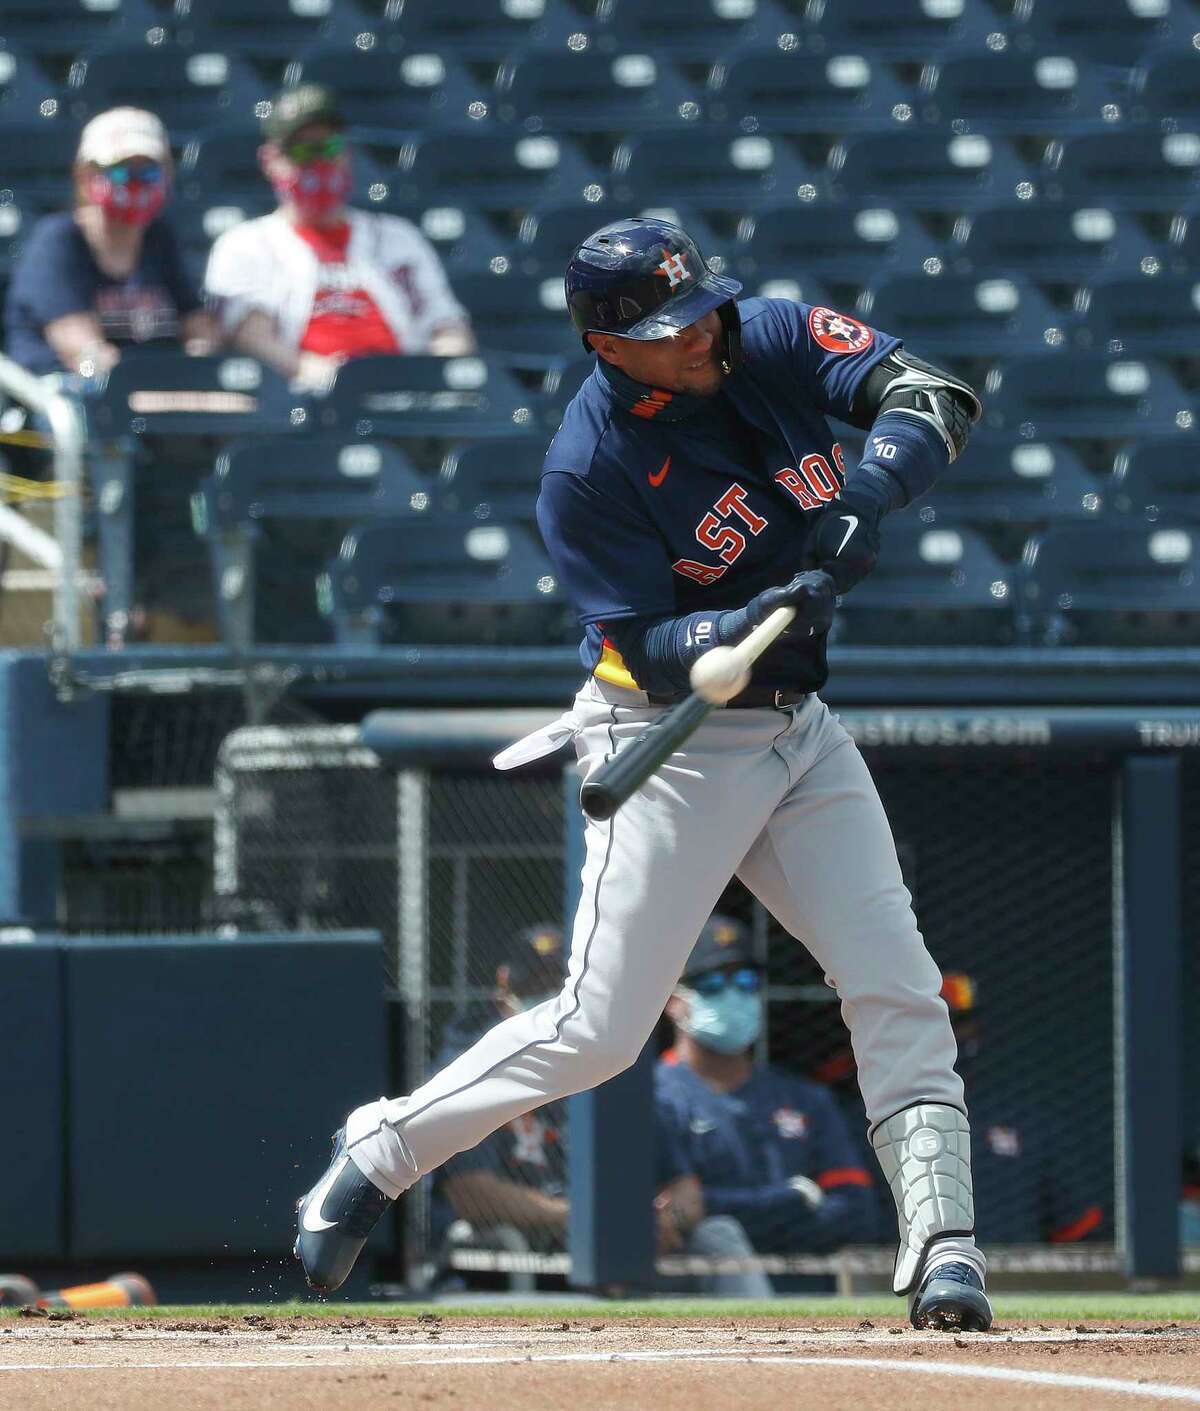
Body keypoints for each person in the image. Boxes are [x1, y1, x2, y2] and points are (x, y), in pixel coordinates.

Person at [295, 216, 991, 1331]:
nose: (703, 334)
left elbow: (934, 392)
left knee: (898, 983)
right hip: (666, 735)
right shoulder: (590, 467)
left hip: (799, 728)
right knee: (600, 1028)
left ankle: (947, 1245)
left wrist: (875, 490)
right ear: (608, 346)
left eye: (702, 307)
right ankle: (379, 1149)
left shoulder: (758, 336)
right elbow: (634, 644)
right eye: (672, 329)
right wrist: (725, 630)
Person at [655, 915, 877, 1296]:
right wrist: (793, 1200)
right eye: (711, 984)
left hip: (808, 1302)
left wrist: (714, 1203)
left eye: (746, 982)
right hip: (691, 1301)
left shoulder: (805, 1098)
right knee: (715, 1235)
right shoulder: (650, 1095)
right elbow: (669, 1217)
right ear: (673, 1002)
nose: (734, 997)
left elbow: (855, 1214)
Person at [203, 84, 475, 392]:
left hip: (409, 394)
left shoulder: (399, 237)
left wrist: (435, 378)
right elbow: (253, 337)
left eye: (329, 148)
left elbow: (447, 327)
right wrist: (338, 383)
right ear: (270, 160)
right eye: (304, 150)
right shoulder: (245, 244)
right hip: (306, 398)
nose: (319, 162)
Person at [4, 107, 216, 377]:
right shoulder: (58, 241)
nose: (136, 183)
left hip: (151, 396)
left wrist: (200, 364)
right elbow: (83, 349)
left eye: (148, 172)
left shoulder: (160, 238)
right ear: (85, 176)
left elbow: (197, 326)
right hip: (70, 404)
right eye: (120, 172)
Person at [435, 924, 570, 1251]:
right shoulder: (469, 1063)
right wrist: (575, 1215)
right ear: (504, 983)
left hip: (571, 1224)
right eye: (536, 984)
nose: (547, 996)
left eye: (557, 985)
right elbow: (470, 1192)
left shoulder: (592, 1060)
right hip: (498, 1240)